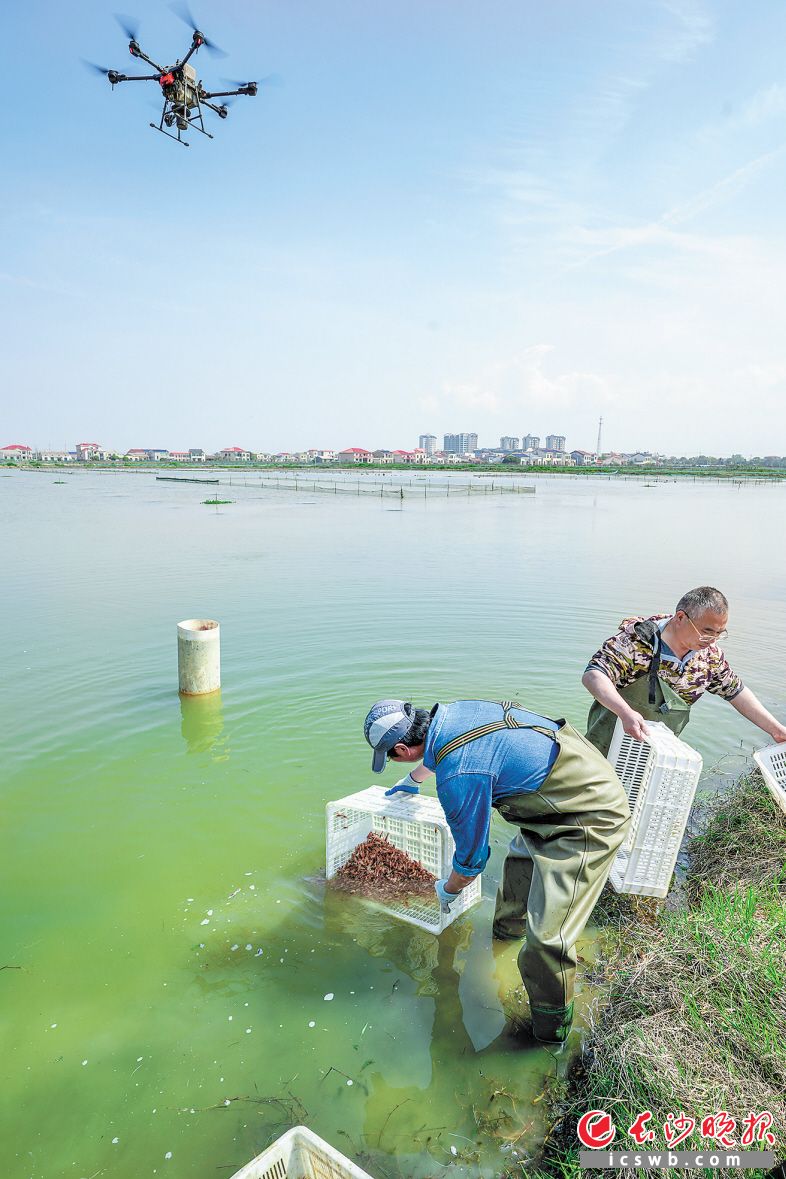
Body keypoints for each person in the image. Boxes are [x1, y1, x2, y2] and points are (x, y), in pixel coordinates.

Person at [362, 697, 631, 1046]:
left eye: (393, 756)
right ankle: (504, 938)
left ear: (402, 747)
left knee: (548, 940)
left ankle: (549, 1034)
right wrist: (414, 778)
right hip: (555, 798)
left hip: (587, 818)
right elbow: (456, 747)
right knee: (517, 871)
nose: (396, 759)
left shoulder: (457, 775)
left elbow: (472, 862)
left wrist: (449, 888)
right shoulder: (453, 714)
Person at [582, 586, 786, 756]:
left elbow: (735, 691)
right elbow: (593, 675)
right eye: (706, 632)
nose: (712, 640)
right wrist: (625, 712)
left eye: (719, 633)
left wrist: (776, 730)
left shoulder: (709, 657)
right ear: (680, 618)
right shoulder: (636, 642)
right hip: (606, 743)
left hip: (657, 753)